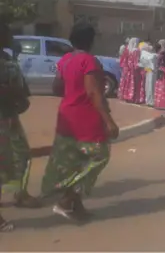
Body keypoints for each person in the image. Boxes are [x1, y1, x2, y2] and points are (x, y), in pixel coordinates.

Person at [43, 22, 119, 221]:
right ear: (91, 41)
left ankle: (76, 206)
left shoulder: (65, 60)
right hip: (86, 119)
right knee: (99, 156)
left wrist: (72, 91)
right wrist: (109, 121)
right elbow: (94, 92)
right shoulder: (89, 61)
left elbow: (57, 88)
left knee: (75, 162)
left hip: (66, 117)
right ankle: (66, 201)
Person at [0, 20, 39, 225]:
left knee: (22, 154)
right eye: (7, 32)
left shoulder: (7, 59)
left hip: (10, 117)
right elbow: (11, 92)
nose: (11, 37)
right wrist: (16, 94)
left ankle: (20, 193)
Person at [139, 43, 158, 107]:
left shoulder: (145, 54)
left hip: (148, 70)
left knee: (148, 86)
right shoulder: (147, 54)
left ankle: (148, 100)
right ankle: (151, 101)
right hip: (151, 71)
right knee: (151, 86)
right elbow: (152, 58)